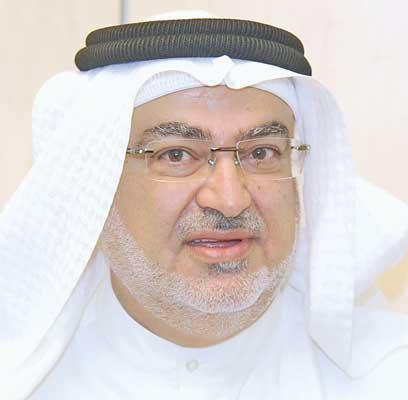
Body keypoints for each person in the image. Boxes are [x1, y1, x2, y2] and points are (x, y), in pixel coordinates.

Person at [1, 10, 408, 400]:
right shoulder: (22, 380)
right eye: (176, 155)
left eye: (262, 152)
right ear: (98, 181)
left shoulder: (390, 377)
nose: (230, 200)